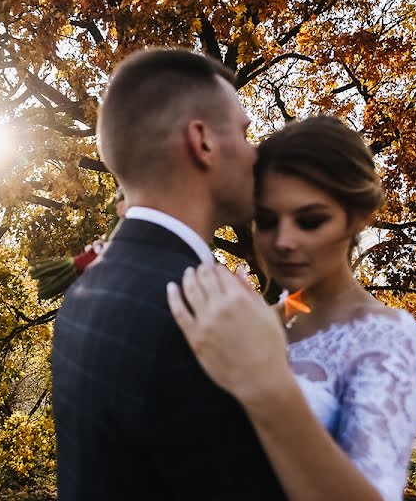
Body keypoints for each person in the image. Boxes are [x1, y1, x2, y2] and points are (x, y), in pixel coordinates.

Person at [51, 49, 287, 500]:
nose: (256, 154)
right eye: (244, 132)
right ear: (202, 142)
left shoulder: (85, 289)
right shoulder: (201, 318)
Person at [167, 115, 416, 501]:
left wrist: (264, 385)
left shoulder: (387, 336)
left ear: (357, 218)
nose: (284, 241)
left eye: (310, 221)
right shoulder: (253, 320)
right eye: (267, 221)